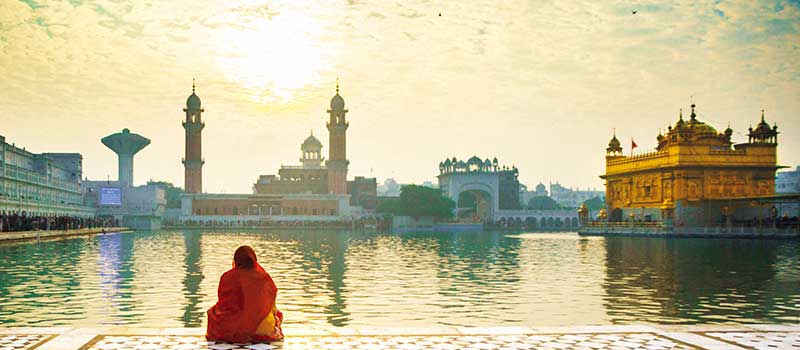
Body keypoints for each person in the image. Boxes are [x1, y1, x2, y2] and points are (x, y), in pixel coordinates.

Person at [206, 245, 283, 343]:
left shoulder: (227, 277)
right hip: (261, 328)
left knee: (211, 312)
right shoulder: (264, 277)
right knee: (277, 314)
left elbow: (224, 305)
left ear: (235, 260)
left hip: (232, 328)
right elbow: (272, 307)